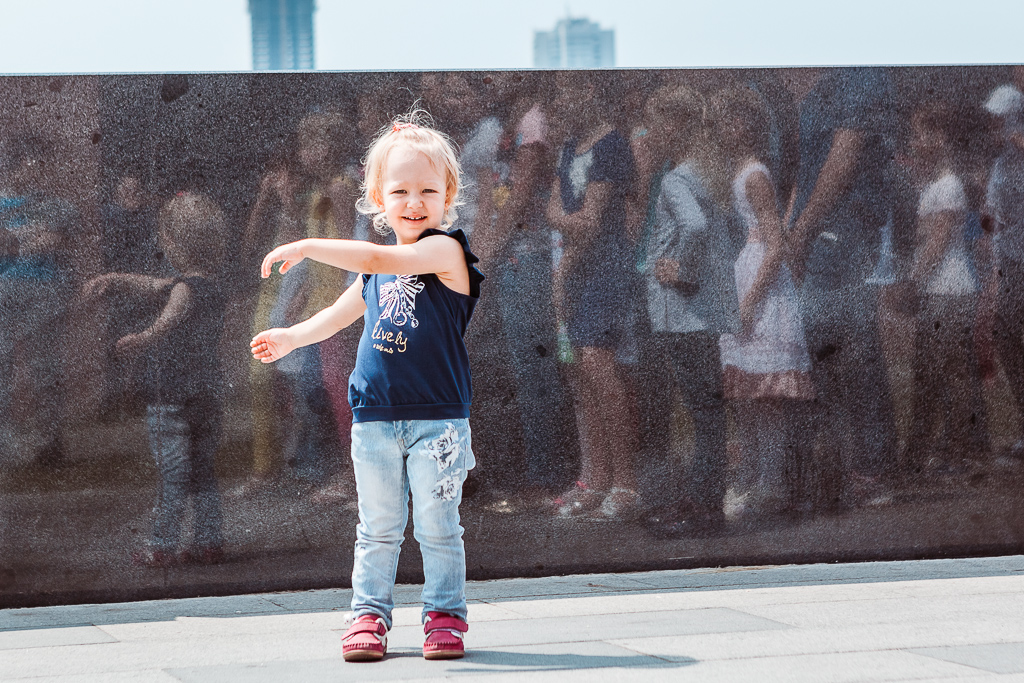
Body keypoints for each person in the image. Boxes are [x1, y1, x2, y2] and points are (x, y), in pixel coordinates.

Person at [251, 113, 484, 662]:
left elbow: (382, 255)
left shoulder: (446, 252)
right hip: (374, 419)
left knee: (436, 525)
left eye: (428, 190)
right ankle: (369, 617)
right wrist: (292, 336)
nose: (414, 202)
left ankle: (444, 615)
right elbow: (336, 314)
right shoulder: (374, 274)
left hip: (438, 422)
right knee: (377, 527)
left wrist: (308, 244)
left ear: (448, 194)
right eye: (400, 190)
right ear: (378, 197)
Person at [82, 192, 228, 567]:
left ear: (170, 242)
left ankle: (162, 545)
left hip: (172, 398)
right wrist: (117, 279)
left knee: (173, 475)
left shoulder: (182, 290)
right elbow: (156, 286)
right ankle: (209, 542)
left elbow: (170, 318)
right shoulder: (212, 286)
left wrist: (140, 339)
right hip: (207, 395)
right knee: (203, 472)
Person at [637, 85, 740, 535]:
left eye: (656, 122)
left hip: (681, 312)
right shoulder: (708, 171)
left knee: (700, 409)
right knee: (707, 410)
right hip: (705, 309)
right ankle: (704, 499)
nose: (650, 132)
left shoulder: (678, 177)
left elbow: (694, 227)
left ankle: (701, 506)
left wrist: (679, 269)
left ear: (675, 125)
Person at [715, 87, 814, 521]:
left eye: (733, 120)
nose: (724, 129)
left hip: (763, 282)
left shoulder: (756, 174)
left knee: (766, 395)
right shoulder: (737, 171)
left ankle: (770, 482)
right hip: (745, 272)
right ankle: (754, 476)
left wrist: (751, 299)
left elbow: (776, 243)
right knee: (747, 395)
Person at [546, 72, 640, 521]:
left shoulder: (611, 145)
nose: (560, 100)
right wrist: (565, 256)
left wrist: (564, 231)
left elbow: (590, 222)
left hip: (602, 271)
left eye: (567, 89)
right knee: (579, 374)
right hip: (572, 272)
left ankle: (626, 483)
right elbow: (556, 212)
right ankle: (594, 478)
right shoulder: (569, 148)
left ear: (588, 89)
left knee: (601, 370)